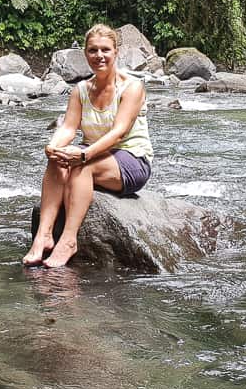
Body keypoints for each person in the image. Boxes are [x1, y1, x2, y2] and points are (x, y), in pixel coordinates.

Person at [24, 24, 153, 268]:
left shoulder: (132, 87)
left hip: (131, 159)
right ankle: (44, 235)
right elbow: (69, 128)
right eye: (93, 50)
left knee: (83, 167)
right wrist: (54, 147)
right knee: (57, 160)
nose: (99, 56)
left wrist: (84, 155)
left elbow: (119, 132)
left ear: (116, 52)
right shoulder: (81, 90)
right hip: (93, 154)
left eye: (105, 49)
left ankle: (69, 239)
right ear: (85, 53)